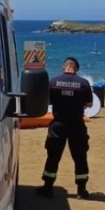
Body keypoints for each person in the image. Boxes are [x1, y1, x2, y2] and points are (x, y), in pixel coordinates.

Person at [37, 57, 94, 199]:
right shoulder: (84, 83)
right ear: (77, 69)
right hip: (76, 124)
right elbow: (89, 104)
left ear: (64, 68)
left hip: (58, 124)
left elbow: (48, 101)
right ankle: (81, 190)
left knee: (53, 156)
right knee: (80, 156)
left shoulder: (54, 82)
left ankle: (48, 187)